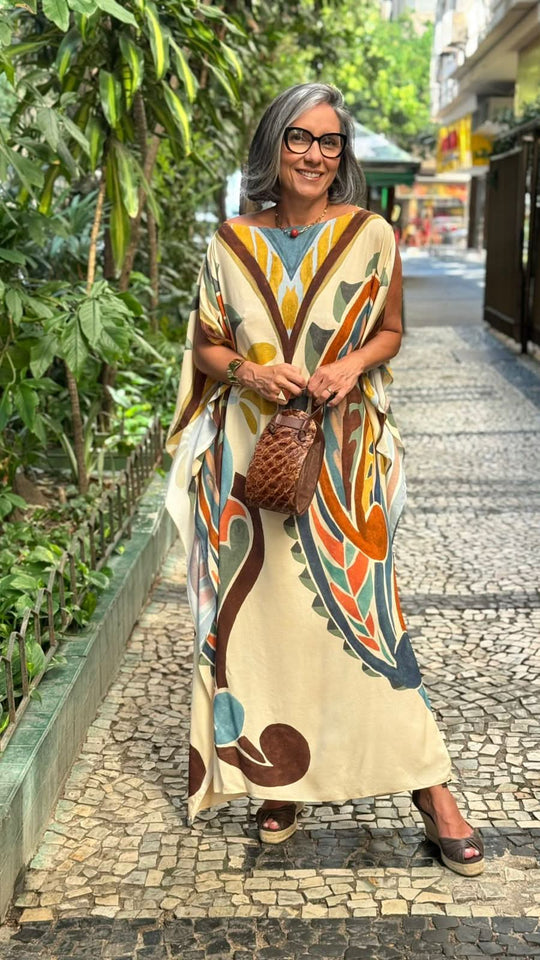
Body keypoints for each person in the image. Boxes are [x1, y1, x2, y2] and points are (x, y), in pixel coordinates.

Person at [165, 83, 484, 876]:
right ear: (273, 146)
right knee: (270, 628)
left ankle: (433, 792)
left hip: (342, 462)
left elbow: (392, 332)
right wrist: (249, 371)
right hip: (252, 465)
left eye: (329, 143)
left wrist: (347, 364)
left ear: (343, 158)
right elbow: (205, 347)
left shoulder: (370, 234)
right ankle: (283, 782)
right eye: (299, 139)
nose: (314, 155)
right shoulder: (229, 243)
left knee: (371, 626)